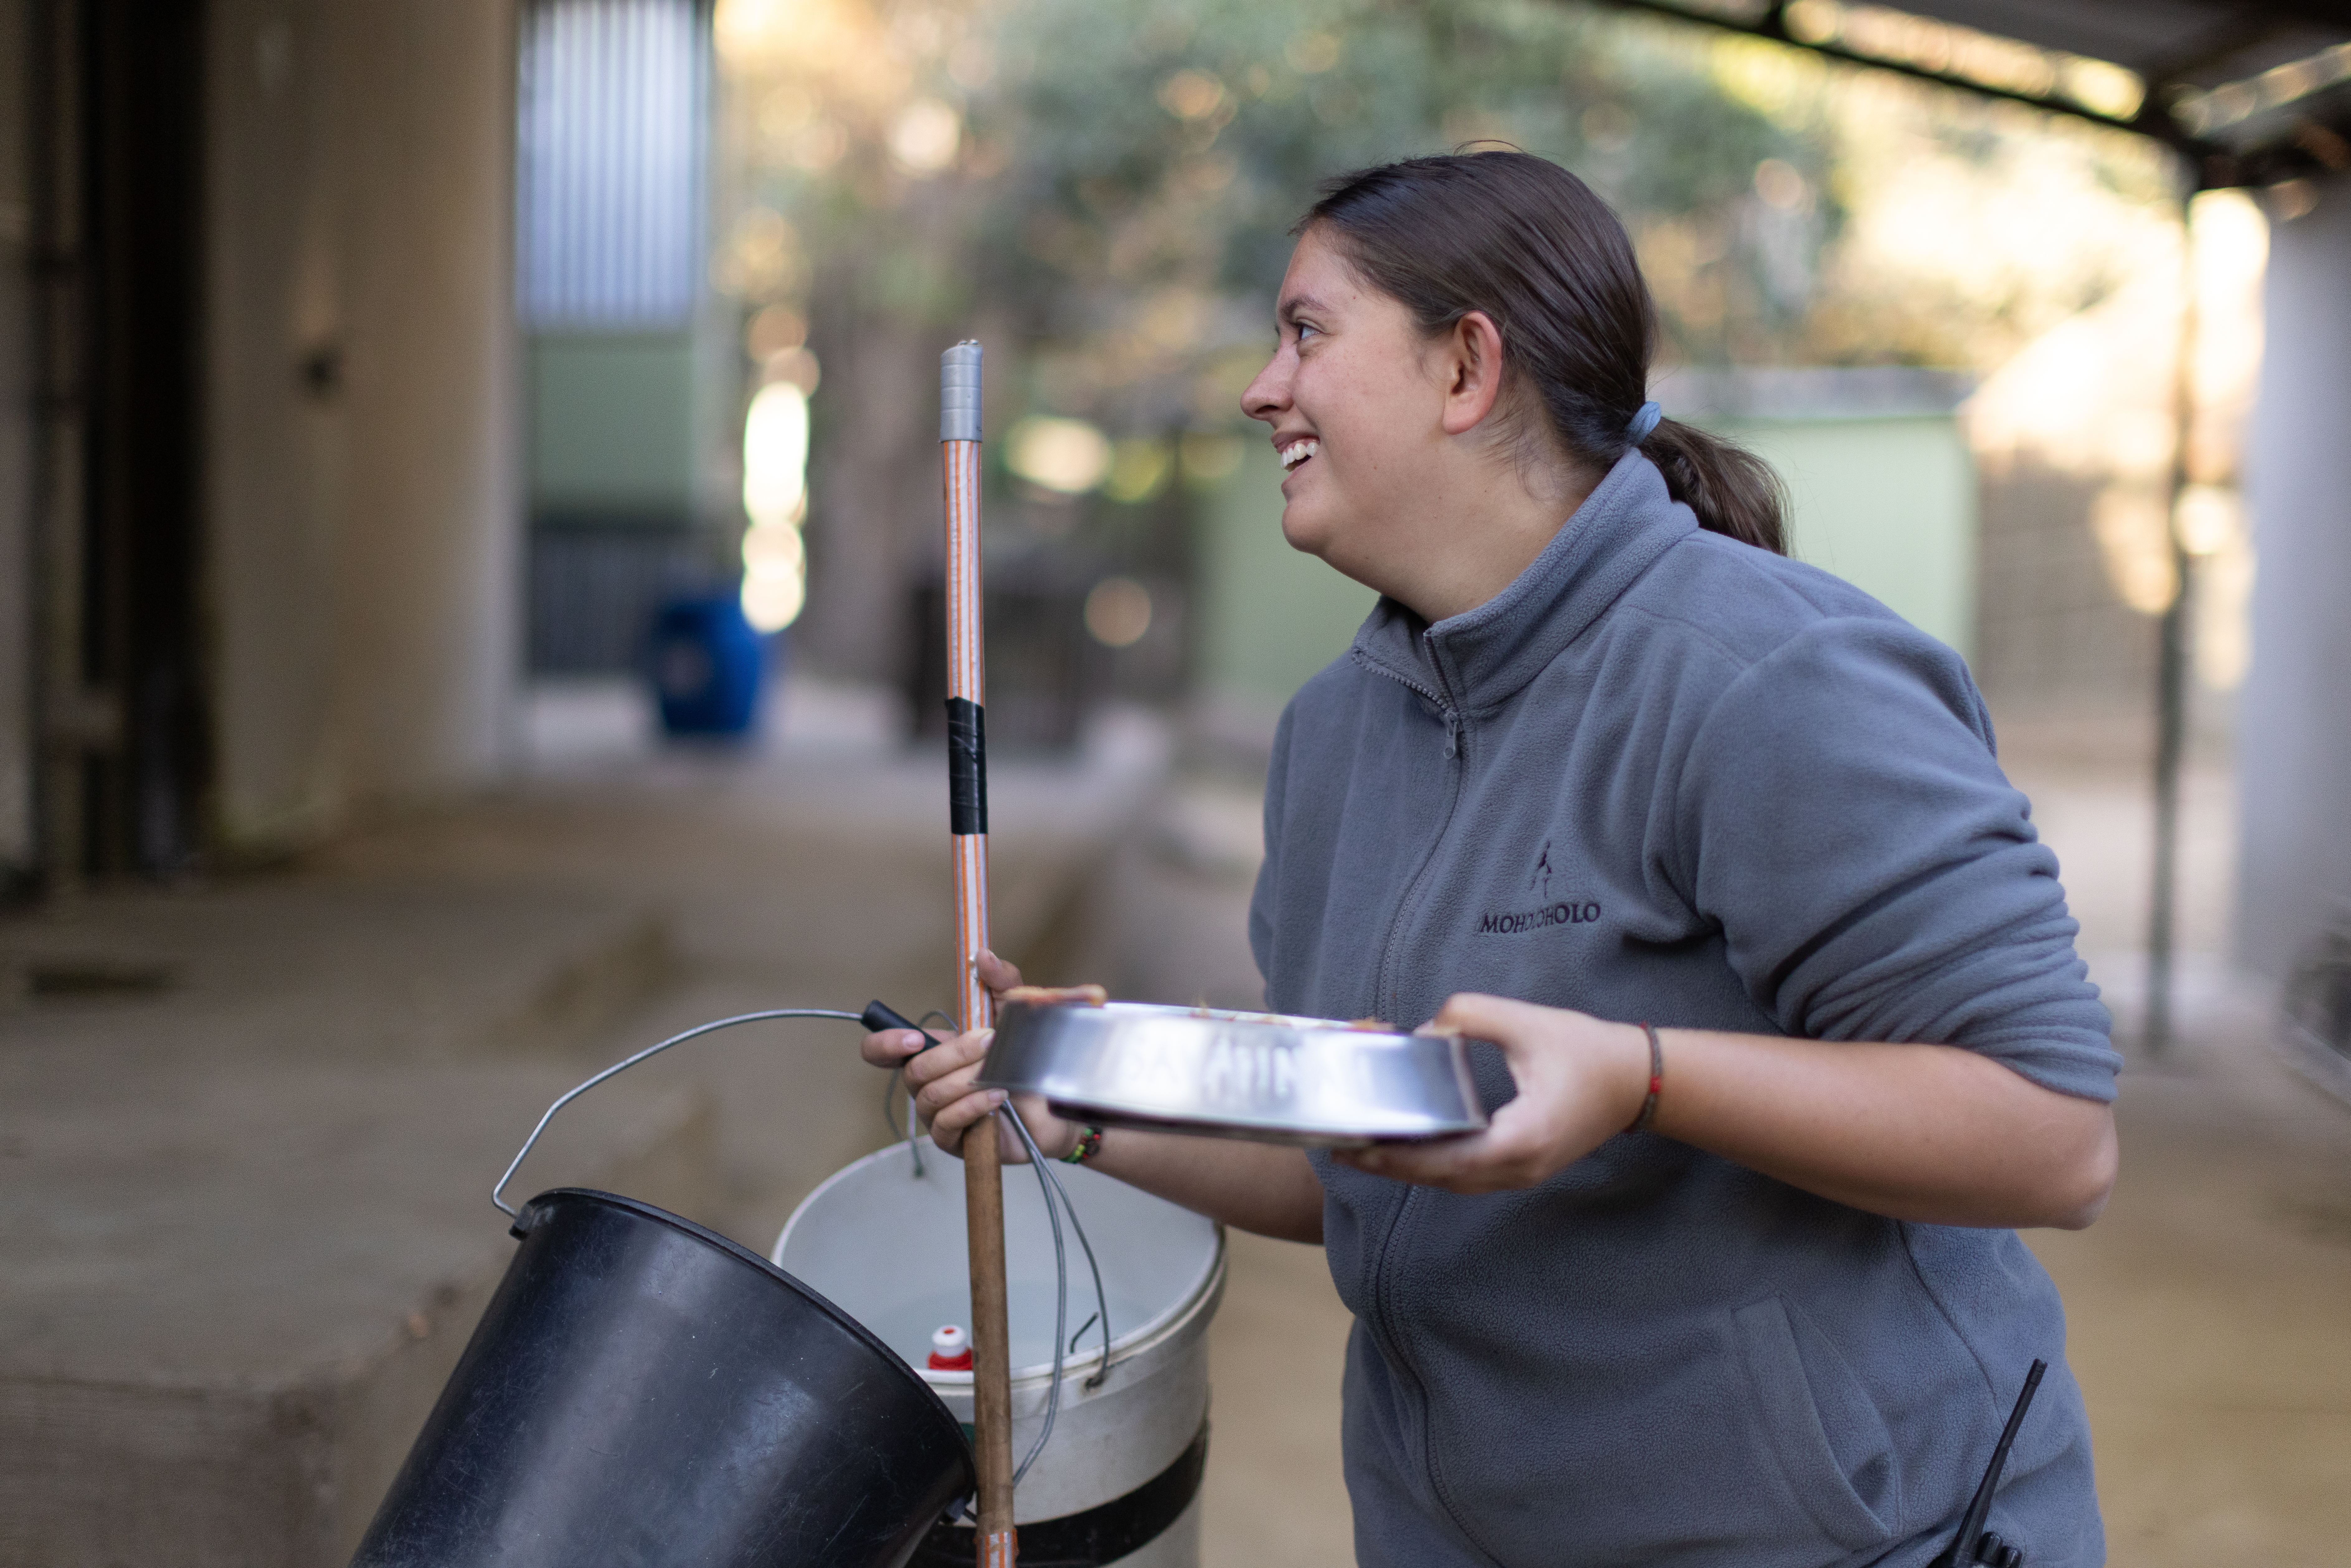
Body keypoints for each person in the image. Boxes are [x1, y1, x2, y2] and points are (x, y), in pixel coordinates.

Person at [866, 150, 2119, 1568]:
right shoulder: (1337, 734)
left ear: (1466, 367)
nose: (1257, 388)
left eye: (1306, 331)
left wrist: (1638, 1075)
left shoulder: (1772, 677)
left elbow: (2052, 1131)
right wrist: (1081, 1104)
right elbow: (1367, 1165)